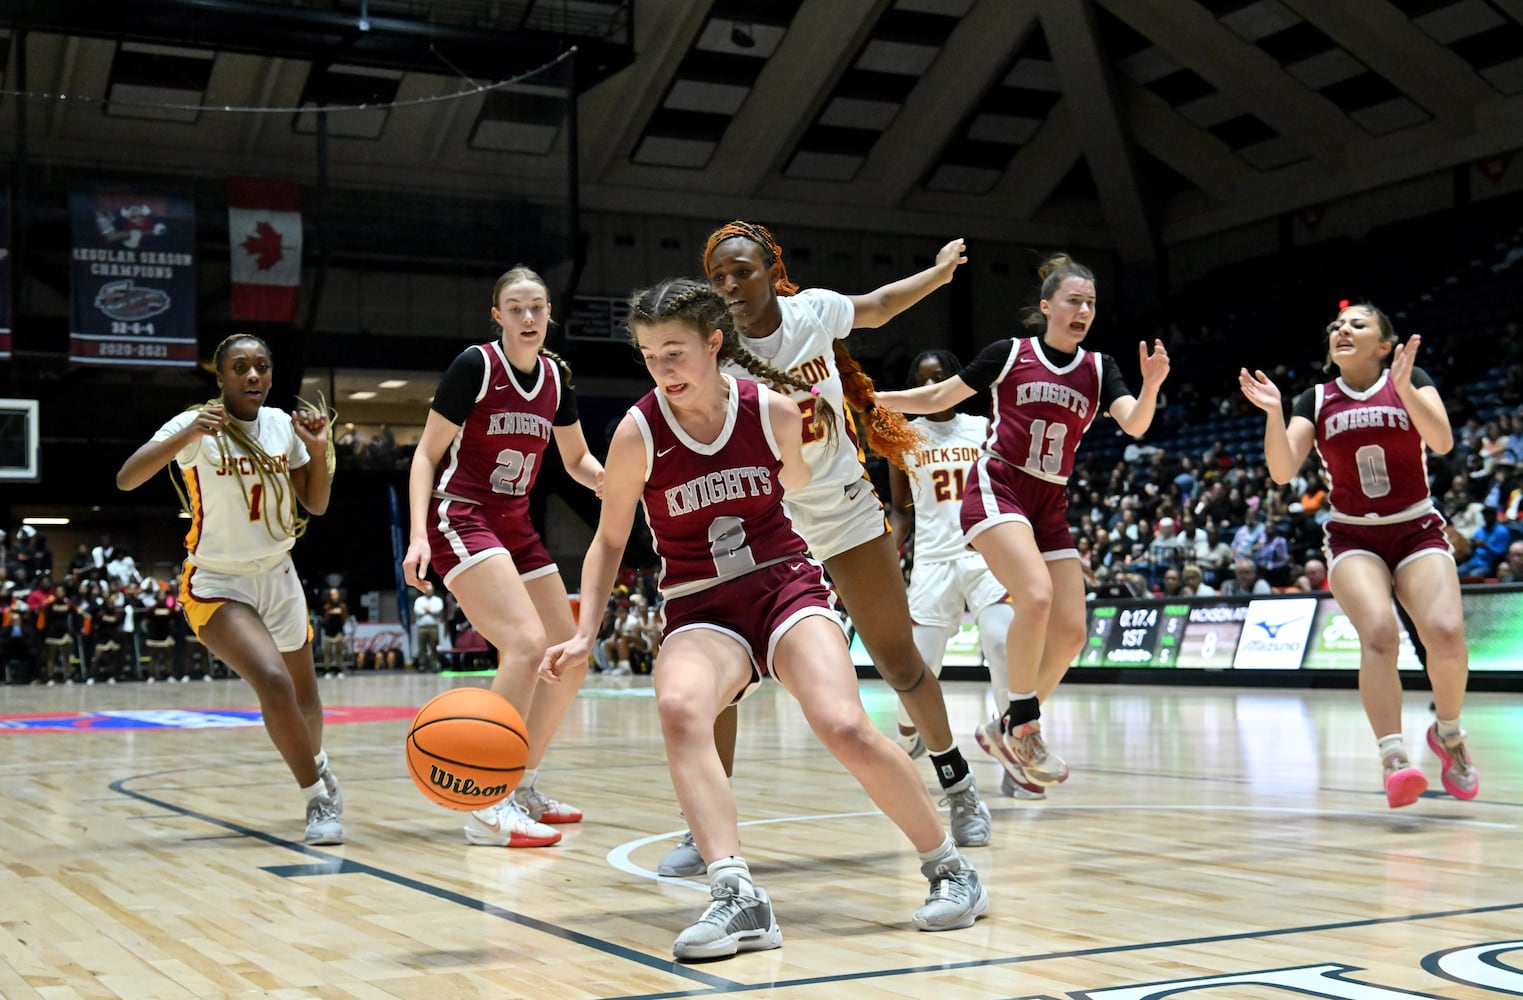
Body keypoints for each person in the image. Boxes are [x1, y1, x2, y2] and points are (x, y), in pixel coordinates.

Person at [542, 278, 987, 961]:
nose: (663, 368)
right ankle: (737, 893)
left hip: (783, 588)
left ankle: (951, 869)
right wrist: (582, 630)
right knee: (680, 706)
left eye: (676, 352)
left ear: (714, 343)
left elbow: (800, 486)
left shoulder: (774, 412)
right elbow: (607, 541)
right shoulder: (637, 433)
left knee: (842, 723)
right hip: (699, 604)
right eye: (649, 354)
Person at [657, 220, 988, 878]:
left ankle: (956, 784)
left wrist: (939, 273)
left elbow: (879, 305)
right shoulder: (711, 354)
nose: (730, 283)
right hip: (765, 529)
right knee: (721, 689)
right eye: (718, 275)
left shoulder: (812, 313)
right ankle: (705, 827)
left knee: (899, 662)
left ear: (770, 270)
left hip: (841, 510)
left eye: (742, 270)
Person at [874, 253, 1169, 791]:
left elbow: (1136, 425)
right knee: (1033, 597)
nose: (1083, 310)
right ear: (1047, 306)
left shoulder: (1101, 368)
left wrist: (1150, 385)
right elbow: (940, 396)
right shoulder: (1009, 354)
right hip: (998, 484)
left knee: (1073, 631)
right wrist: (872, 399)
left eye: (1091, 303)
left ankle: (1005, 725)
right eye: (1074, 300)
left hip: (1049, 502)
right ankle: (1026, 726)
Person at [1240, 302, 1478, 807]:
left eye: (1357, 324)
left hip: (1416, 527)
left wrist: (1407, 387)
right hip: (1354, 537)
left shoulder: (1413, 379)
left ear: (1383, 345)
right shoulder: (1316, 398)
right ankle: (1394, 756)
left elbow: (1442, 440)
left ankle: (1449, 735)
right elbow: (1283, 472)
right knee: (1379, 634)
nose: (1342, 329)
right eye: (1335, 326)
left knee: (1447, 635)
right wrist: (1276, 414)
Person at [402, 264, 605, 848]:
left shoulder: (555, 379)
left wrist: (621, 482)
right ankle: (484, 804)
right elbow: (425, 455)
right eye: (515, 308)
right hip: (460, 516)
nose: (528, 318)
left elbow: (577, 462)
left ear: (549, 314)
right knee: (524, 644)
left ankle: (522, 783)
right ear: (497, 315)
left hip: (516, 526)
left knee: (569, 652)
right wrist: (418, 535)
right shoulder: (475, 367)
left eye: (537, 307)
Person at [115, 333, 344, 844]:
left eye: (262, 366)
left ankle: (319, 764)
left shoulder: (283, 426)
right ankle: (316, 801)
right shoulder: (196, 426)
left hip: (278, 573)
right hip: (217, 578)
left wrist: (319, 449)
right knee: (273, 679)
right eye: (239, 367)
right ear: (220, 378)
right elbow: (127, 479)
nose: (253, 375)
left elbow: (317, 505)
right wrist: (186, 434)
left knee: (305, 692)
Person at [886, 350, 1043, 800]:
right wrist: (887, 557)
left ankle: (1016, 752)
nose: (934, 387)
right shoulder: (902, 438)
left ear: (957, 379)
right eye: (924, 379)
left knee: (1001, 642)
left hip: (985, 553)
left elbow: (1012, 491)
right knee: (920, 665)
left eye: (942, 377)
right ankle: (908, 729)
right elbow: (901, 510)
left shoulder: (983, 428)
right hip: (934, 561)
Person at [412, 580, 444, 673]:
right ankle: (422, 665)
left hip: (433, 627)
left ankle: (435, 665)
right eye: (427, 590)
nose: (429, 592)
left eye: (431, 590)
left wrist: (427, 610)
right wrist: (429, 610)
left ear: (433, 590)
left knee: (434, 647)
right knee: (422, 648)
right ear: (424, 591)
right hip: (422, 628)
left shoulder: (437, 600)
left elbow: (438, 610)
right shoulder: (419, 600)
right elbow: (417, 611)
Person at [318, 587, 348, 677]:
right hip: (328, 632)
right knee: (328, 652)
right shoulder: (326, 607)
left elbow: (344, 620)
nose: (334, 596)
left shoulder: (342, 606)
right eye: (332, 594)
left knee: (339, 652)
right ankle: (327, 670)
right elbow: (323, 620)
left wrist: (342, 612)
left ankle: (339, 670)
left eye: (336, 594)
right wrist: (330, 613)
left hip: (339, 632)